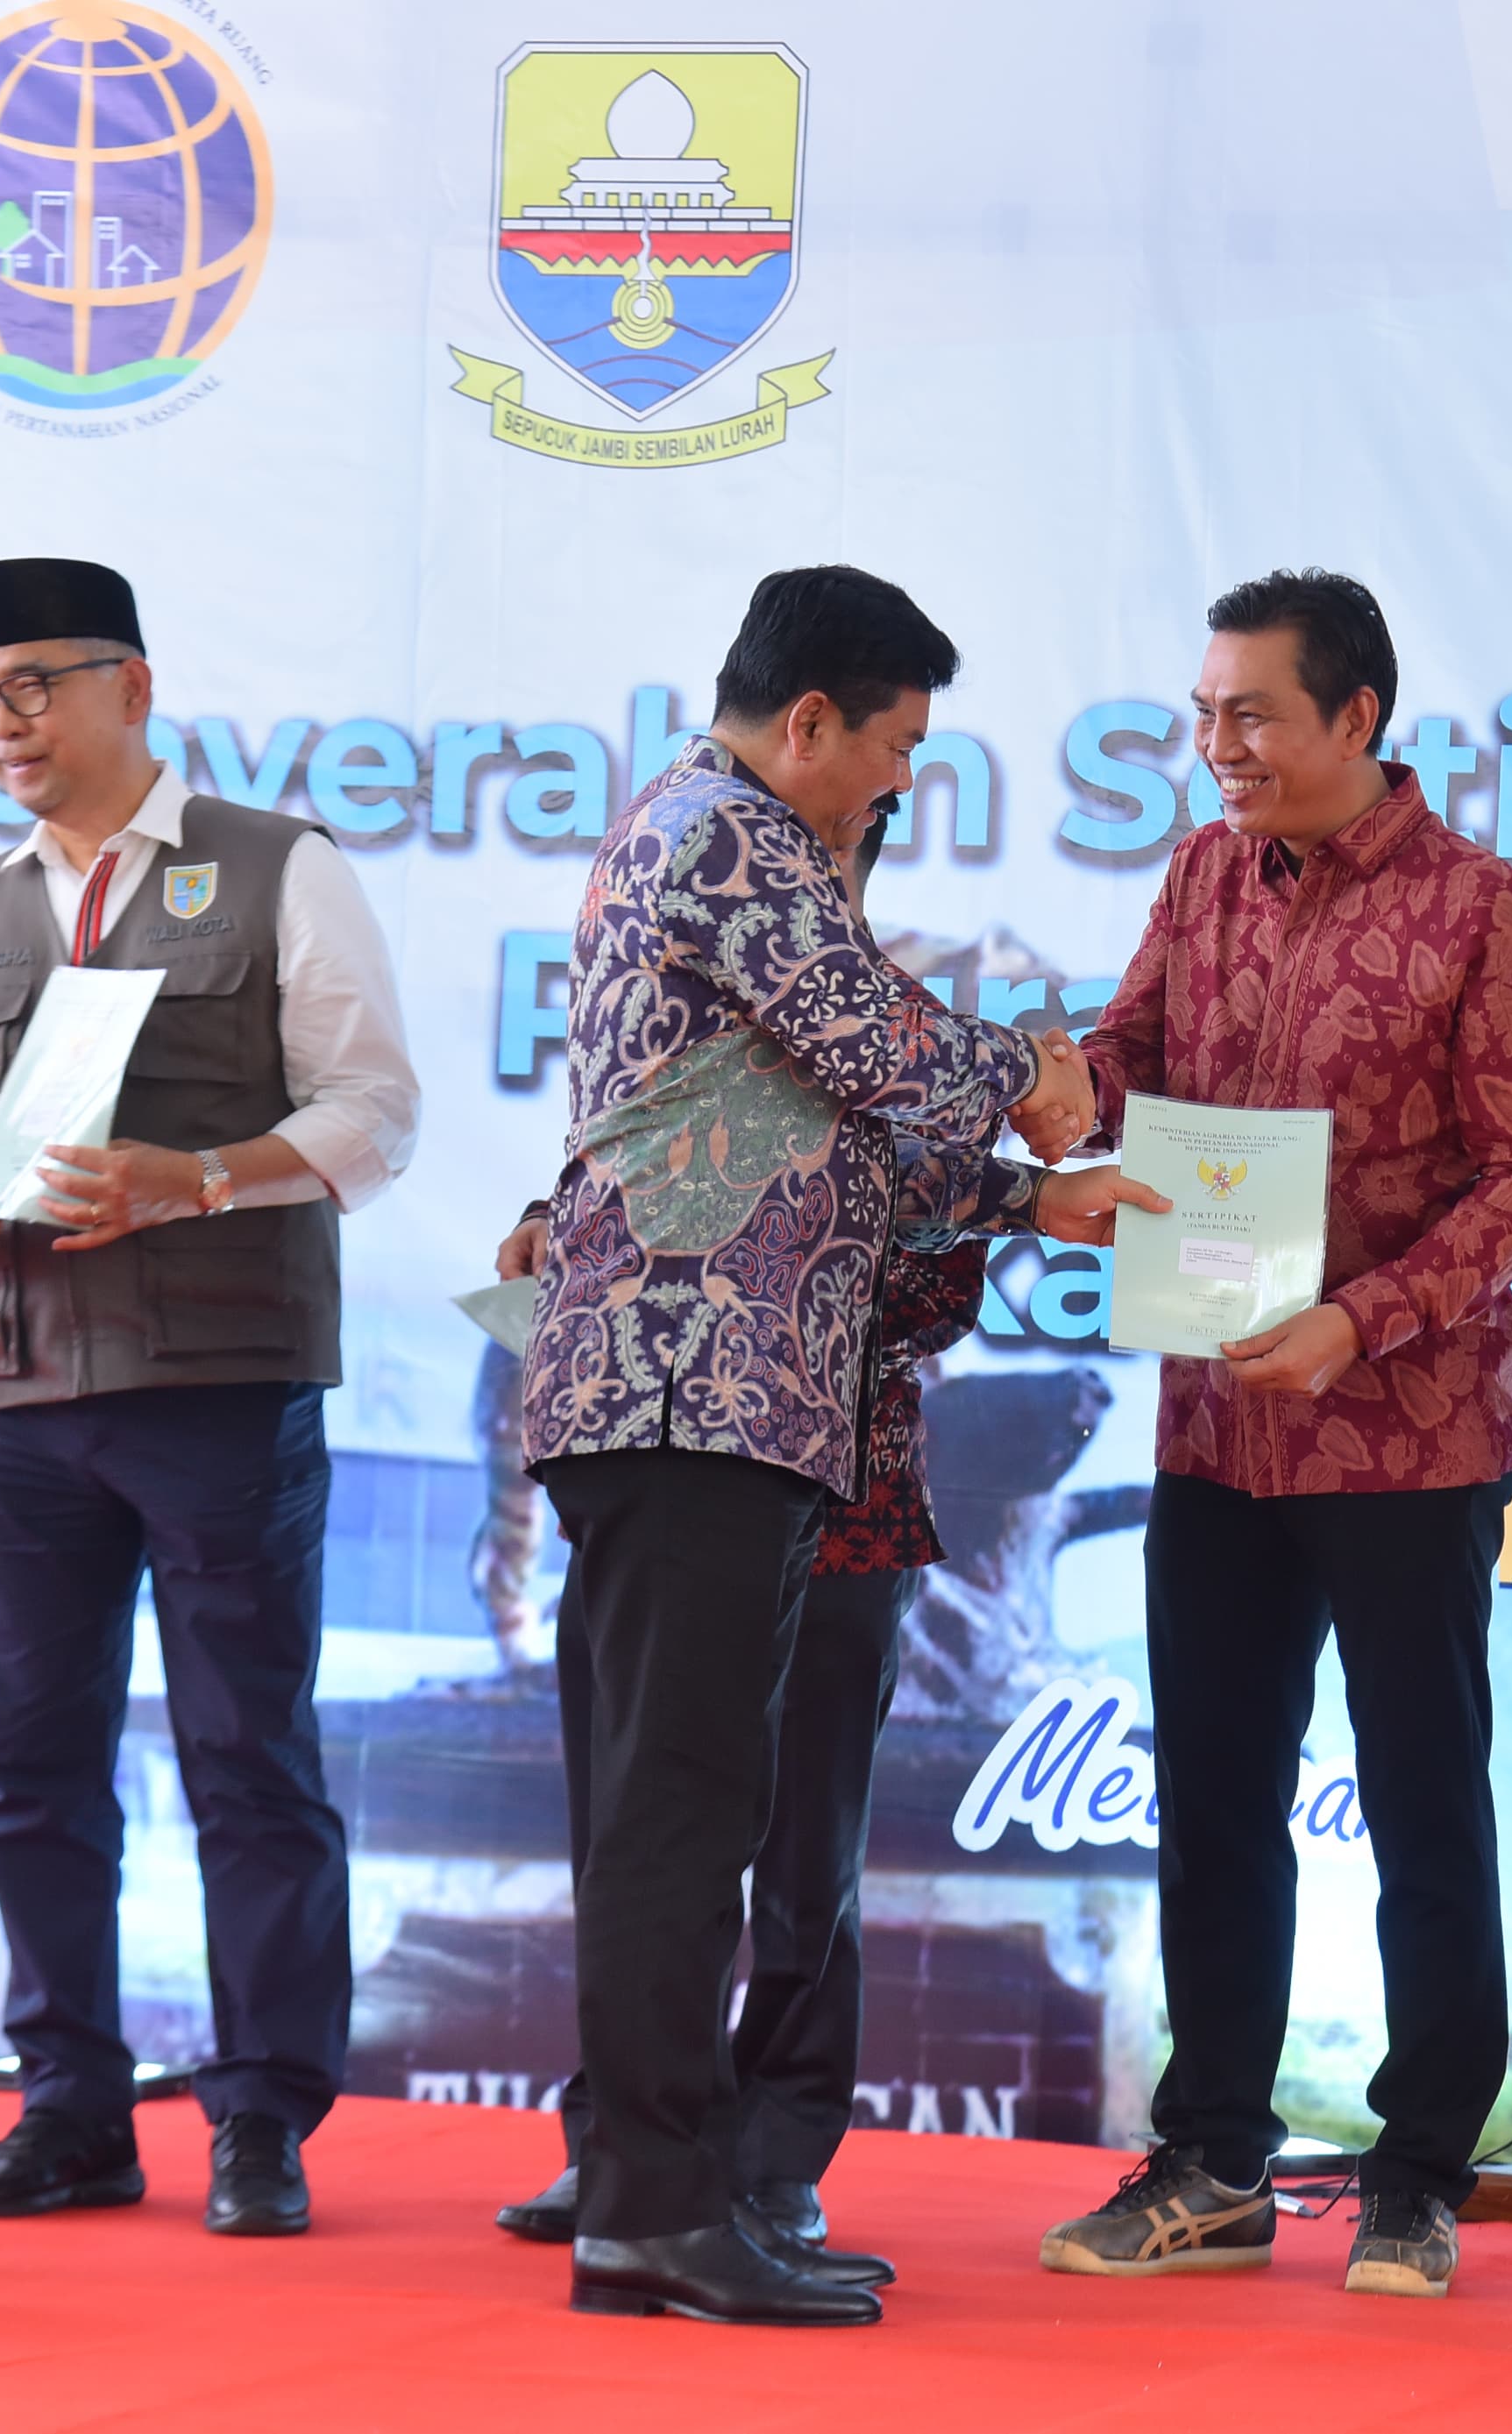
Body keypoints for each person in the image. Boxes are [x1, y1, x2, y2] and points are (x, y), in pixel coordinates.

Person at [518, 564, 1131, 2326]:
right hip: (690, 1388)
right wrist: (1033, 1076)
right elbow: (877, 1045)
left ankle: (678, 2189)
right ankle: (649, 2206)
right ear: (809, 720)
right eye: (895, 745)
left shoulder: (716, 834)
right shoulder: (731, 835)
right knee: (679, 1815)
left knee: (693, 1807)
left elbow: (820, 1116)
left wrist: (1026, 1198)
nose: (902, 779)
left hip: (721, 1396)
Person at [1036, 570, 1512, 2304]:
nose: (1220, 745)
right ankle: (1212, 2160)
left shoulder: (1486, 912)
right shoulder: (1203, 873)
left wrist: (1367, 1316)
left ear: (1356, 716)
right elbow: (1130, 1054)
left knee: (1423, 1804)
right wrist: (1063, 1098)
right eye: (1206, 713)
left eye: (1254, 714)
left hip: (1407, 1432)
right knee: (1213, 1798)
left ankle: (1420, 2172)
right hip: (1215, 1421)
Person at [0, 558, 420, 2238]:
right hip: (23, 1388)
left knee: (248, 1758)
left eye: (34, 685)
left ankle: (262, 2114)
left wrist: (193, 1177)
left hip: (221, 1382)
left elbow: (374, 1113)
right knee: (32, 1766)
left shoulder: (276, 864)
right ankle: (69, 2106)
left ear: (134, 686)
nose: (2, 723)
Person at [490, 813, 989, 2288]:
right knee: (643, 1827)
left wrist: (856, 1233)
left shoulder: (904, 1044)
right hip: (668, 1454)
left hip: (842, 1494)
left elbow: (939, 1289)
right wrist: (560, 1225)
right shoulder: (682, 1022)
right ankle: (635, 2144)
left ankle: (768, 2154)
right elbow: (623, 1171)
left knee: (799, 1857)